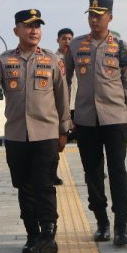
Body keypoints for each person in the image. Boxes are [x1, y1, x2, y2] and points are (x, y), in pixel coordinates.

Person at [0, 9, 70, 253]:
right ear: (16, 31)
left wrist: (64, 129)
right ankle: (32, 235)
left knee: (44, 186)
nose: (34, 30)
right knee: (24, 187)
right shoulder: (4, 60)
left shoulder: (53, 60)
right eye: (28, 26)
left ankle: (48, 234)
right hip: (17, 136)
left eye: (38, 26)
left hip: (46, 134)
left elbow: (62, 97)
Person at [64, 0, 127, 246]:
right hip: (85, 120)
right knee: (92, 173)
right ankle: (102, 221)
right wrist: (65, 117)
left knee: (118, 171)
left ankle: (122, 226)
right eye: (91, 15)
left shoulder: (121, 47)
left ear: (110, 17)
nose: (94, 19)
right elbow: (63, 83)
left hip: (115, 118)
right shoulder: (75, 46)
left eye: (99, 15)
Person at [52, 27, 75, 185]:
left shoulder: (79, 57)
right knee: (57, 144)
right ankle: (52, 173)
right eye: (64, 38)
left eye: (70, 39)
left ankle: (92, 173)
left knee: (88, 142)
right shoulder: (53, 59)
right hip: (60, 107)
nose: (67, 41)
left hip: (78, 106)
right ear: (58, 40)